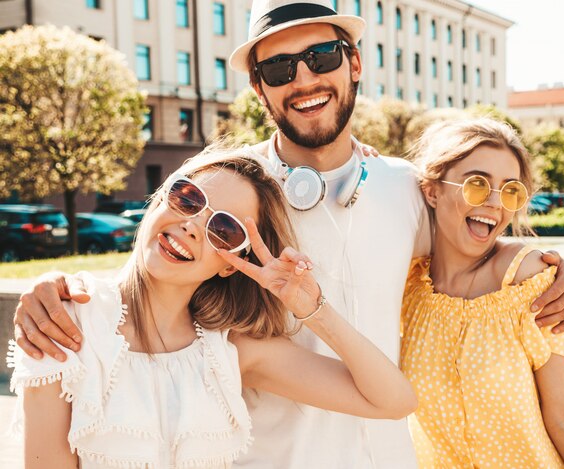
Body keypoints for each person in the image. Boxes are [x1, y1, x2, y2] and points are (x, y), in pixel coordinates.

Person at [13, 1, 564, 467]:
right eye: (280, 70)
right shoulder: (222, 189)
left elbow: (472, 245)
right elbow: (155, 275)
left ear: (354, 63)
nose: (304, 79)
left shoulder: (406, 188)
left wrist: (548, 264)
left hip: (388, 456)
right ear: (259, 90)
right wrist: (55, 289)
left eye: (321, 56)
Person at [8, 149, 418, 469]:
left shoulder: (231, 352)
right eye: (188, 198)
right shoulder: (62, 325)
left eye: (223, 229)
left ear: (230, 264)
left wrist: (311, 308)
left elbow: (393, 401)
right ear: (159, 201)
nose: (191, 226)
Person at [400, 118, 564, 468]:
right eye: (477, 184)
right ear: (432, 190)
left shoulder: (529, 279)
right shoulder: (405, 289)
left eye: (510, 190)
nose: (495, 204)